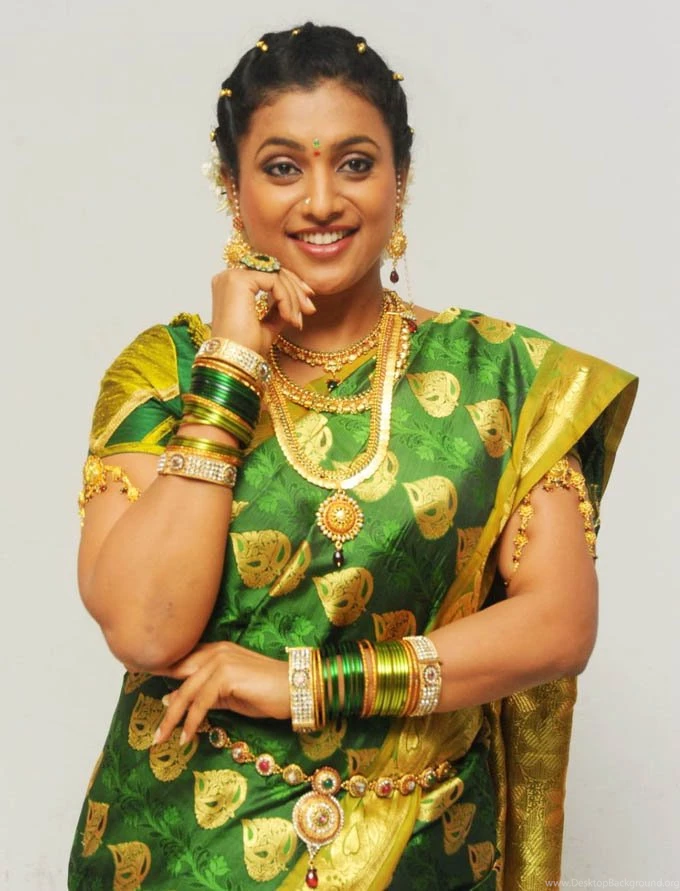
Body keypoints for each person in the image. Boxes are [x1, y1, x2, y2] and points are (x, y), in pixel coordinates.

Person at [68, 22, 637, 891]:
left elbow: (558, 624)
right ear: (233, 187)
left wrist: (307, 683)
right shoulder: (167, 373)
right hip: (186, 853)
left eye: (356, 163)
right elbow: (147, 628)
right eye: (282, 167)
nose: (322, 200)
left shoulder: (501, 378)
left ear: (399, 180)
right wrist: (232, 365)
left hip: (422, 850)